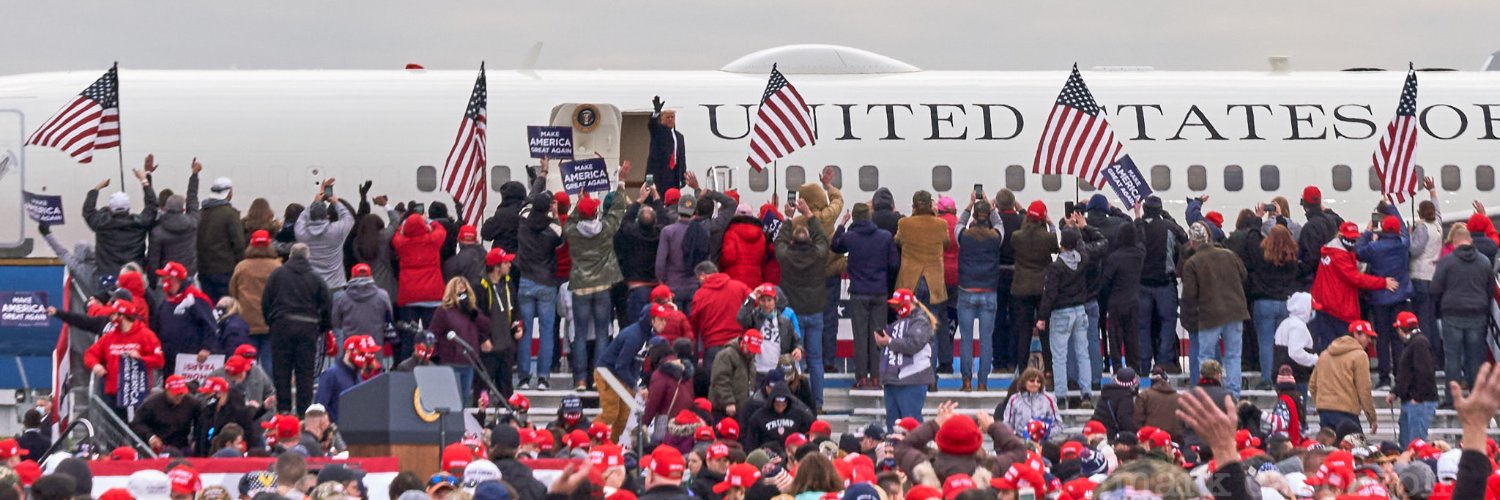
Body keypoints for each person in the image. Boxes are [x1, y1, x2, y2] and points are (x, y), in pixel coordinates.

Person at [566, 165, 629, 391]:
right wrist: (620, 183)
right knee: (603, 333)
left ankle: (580, 380)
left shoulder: (571, 230)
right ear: (595, 213)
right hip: (603, 285)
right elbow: (617, 211)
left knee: (580, 335)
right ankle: (598, 378)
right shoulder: (605, 230)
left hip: (580, 287)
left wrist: (579, 201)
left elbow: (572, 219)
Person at [1037, 216, 1105, 407]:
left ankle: (1061, 396)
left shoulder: (1056, 267)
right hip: (1080, 311)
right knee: (1082, 353)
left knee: (1059, 356)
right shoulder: (1082, 259)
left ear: (1061, 245)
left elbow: (1049, 295)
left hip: (1061, 313)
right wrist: (1077, 228)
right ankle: (1086, 394)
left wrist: (1042, 318)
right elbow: (1082, 247)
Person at [832, 202, 899, 389]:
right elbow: (894, 263)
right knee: (878, 336)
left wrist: (841, 225)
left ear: (854, 217)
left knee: (860, 337)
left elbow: (835, 246)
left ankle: (861, 378)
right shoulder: (885, 237)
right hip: (879, 292)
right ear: (869, 217)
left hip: (859, 292)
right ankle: (877, 378)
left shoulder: (850, 237)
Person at [1179, 221, 1249, 396]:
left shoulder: (1193, 263)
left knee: (1206, 357)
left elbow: (1189, 294)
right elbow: (1244, 275)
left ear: (1192, 241)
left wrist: (1187, 318)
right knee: (1233, 356)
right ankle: (1233, 394)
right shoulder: (1229, 255)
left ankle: (1208, 393)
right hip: (1235, 311)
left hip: (1210, 315)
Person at [262, 243, 332, 415]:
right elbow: (327, 304)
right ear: (308, 257)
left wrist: (271, 322)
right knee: (305, 373)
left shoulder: (277, 275)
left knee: (282, 371)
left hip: (282, 326)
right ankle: (304, 413)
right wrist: (322, 327)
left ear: (290, 256)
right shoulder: (316, 277)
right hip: (308, 328)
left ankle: (283, 411)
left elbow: (266, 301)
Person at [775, 198, 830, 406]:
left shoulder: (786, 256)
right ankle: (817, 403)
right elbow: (823, 239)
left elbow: (779, 241)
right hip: (815, 312)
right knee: (816, 361)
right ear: (809, 240)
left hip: (793, 315)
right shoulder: (818, 254)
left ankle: (796, 402)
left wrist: (788, 219)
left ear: (793, 241)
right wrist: (808, 214)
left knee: (795, 359)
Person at [894, 191, 953, 381]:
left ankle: (910, 373)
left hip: (910, 283)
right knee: (931, 330)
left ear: (914, 206)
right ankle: (931, 377)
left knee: (908, 329)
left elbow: (898, 241)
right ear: (931, 205)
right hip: (933, 283)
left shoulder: (904, 223)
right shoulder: (941, 224)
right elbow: (946, 243)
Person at [1310, 221, 1397, 349]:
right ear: (1340, 235)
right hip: (1338, 307)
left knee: (1328, 345)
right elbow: (1355, 278)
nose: (1351, 241)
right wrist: (1383, 283)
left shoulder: (1331, 251)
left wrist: (1367, 232)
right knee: (1342, 346)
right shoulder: (1340, 256)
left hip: (1325, 304)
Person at [1431, 225, 1497, 394]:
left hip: (1452, 314)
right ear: (1470, 240)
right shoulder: (1484, 261)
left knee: (1452, 358)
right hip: (1477, 315)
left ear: (1454, 242)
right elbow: (1490, 289)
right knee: (1475, 358)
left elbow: (1435, 288)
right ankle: (1476, 395)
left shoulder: (1446, 261)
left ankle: (1452, 398)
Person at [516, 160, 563, 390]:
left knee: (524, 332)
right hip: (546, 283)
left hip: (525, 281)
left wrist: (541, 175)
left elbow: (530, 199)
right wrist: (554, 214)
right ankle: (543, 378)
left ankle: (524, 378)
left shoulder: (524, 219)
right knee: (546, 332)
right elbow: (560, 236)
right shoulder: (553, 229)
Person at [1356, 203, 1412, 389]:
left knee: (1382, 338)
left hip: (1379, 298)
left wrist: (1367, 232)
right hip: (1399, 295)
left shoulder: (1374, 247)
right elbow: (1404, 228)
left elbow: (1358, 251)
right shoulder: (1403, 244)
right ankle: (1399, 374)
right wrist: (1391, 207)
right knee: (1398, 338)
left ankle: (1384, 377)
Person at [82, 298, 165, 418]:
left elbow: (159, 361)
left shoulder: (146, 335)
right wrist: (96, 365)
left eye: (114, 314)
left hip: (138, 393)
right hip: (113, 394)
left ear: (122, 315)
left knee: (137, 429)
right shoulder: (109, 337)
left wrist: (141, 359)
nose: (111, 317)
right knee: (115, 431)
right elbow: (90, 354)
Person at [954, 196, 1002, 391]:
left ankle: (966, 381)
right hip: (989, 291)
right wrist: (992, 207)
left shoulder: (963, 237)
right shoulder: (996, 237)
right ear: (988, 216)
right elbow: (999, 223)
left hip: (966, 290)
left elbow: (959, 223)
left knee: (966, 338)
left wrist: (969, 203)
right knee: (986, 339)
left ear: (974, 215)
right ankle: (983, 383)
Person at [83, 160, 158, 282]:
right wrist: (144, 181)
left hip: (108, 278)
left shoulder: (101, 224)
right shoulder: (139, 224)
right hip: (134, 277)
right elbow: (152, 206)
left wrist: (96, 189)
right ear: (128, 208)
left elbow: (88, 210)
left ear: (111, 209)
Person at [1243, 224, 1298, 387]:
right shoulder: (1292, 258)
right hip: (1284, 302)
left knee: (1265, 343)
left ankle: (1267, 379)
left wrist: (1257, 220)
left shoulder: (1261, 256)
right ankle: (1282, 375)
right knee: (1281, 343)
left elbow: (1251, 241)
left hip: (1264, 302)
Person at [1135, 196, 1186, 374]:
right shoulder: (1169, 227)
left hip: (1141, 284)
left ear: (1144, 209)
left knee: (1142, 325)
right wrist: (1168, 217)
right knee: (1168, 322)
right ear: (1160, 210)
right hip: (1165, 283)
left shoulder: (1137, 227)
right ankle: (1163, 362)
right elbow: (1184, 237)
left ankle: (1144, 363)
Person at [392, 209, 448, 362]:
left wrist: (404, 225)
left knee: (408, 337)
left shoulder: (401, 243)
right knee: (433, 335)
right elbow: (441, 229)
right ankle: (436, 365)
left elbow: (397, 233)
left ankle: (406, 368)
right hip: (432, 294)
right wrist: (429, 222)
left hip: (409, 295)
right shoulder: (433, 240)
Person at [1010, 200, 1058, 376]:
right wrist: (1051, 224)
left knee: (1023, 333)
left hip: (1021, 288)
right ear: (1044, 217)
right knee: (1045, 332)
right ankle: (1049, 371)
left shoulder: (1017, 237)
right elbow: (1055, 247)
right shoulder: (1048, 238)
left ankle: (1022, 370)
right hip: (1042, 289)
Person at [595, 298, 651, 442]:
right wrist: (636, 386)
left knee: (624, 417)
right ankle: (589, 440)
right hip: (607, 372)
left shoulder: (648, 335)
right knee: (611, 414)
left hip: (622, 374)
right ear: (652, 320)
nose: (665, 323)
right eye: (661, 320)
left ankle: (611, 446)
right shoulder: (634, 336)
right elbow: (621, 365)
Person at [879, 289, 936, 429]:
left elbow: (913, 344)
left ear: (908, 303)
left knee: (911, 426)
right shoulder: (898, 322)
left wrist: (889, 342)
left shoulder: (921, 321)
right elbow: (890, 348)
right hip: (893, 380)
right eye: (894, 306)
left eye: (898, 305)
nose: (896, 309)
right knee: (893, 426)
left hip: (913, 379)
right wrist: (881, 343)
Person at [1309, 320, 1379, 434]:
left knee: (1330, 450)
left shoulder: (1325, 354)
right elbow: (1364, 390)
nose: (1369, 340)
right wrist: (1372, 418)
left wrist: (1321, 403)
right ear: (1357, 334)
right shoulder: (1360, 356)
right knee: (1358, 448)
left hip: (1325, 413)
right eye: (1368, 336)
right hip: (1347, 413)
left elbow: (1312, 385)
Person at [430, 277, 492, 404]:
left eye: (465, 293)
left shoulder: (472, 311)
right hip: (449, 362)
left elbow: (486, 326)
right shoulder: (443, 311)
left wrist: (472, 311)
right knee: (450, 401)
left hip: (468, 362)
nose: (462, 297)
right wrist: (436, 357)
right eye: (459, 294)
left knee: (463, 400)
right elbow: (433, 334)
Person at [1099, 213, 1144, 372]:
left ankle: (1118, 369)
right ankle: (1135, 370)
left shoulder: (1114, 257)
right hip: (1133, 300)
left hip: (1116, 302)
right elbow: (1141, 238)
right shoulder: (1139, 254)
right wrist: (1137, 218)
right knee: (1132, 339)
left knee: (1115, 339)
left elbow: (1105, 282)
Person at [229, 230, 281, 370]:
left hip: (247, 321)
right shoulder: (276, 266)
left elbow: (233, 291)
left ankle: (249, 391)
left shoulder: (242, 266)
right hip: (270, 321)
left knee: (247, 364)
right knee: (269, 364)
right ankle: (269, 391)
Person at [153, 261, 216, 376]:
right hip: (169, 359)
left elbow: (210, 325)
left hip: (190, 360)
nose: (162, 281)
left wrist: (206, 348)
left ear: (174, 279)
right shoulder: (166, 302)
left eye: (165, 277)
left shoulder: (195, 299)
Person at [294, 179, 355, 292]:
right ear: (327, 216)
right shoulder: (336, 231)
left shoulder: (302, 234)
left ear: (310, 216)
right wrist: (335, 201)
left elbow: (301, 219)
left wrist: (314, 202)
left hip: (312, 285)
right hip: (336, 285)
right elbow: (348, 217)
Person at [474, 249, 519, 397]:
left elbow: (515, 308)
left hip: (506, 348)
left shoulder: (508, 284)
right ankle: (478, 420)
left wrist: (518, 326)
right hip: (488, 351)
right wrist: (483, 338)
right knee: (482, 394)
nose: (510, 265)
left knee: (507, 396)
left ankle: (507, 420)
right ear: (496, 267)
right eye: (506, 262)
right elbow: (474, 317)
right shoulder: (479, 287)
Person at [1388, 311, 1438, 446]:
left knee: (1414, 446)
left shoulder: (1419, 343)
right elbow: (1406, 374)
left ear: (1401, 328)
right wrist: (1395, 391)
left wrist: (1418, 398)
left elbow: (1425, 372)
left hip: (1418, 403)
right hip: (1411, 401)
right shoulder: (1414, 343)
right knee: (1406, 444)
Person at [736, 284, 800, 382]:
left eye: (769, 300)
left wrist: (798, 349)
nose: (766, 304)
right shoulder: (754, 318)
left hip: (778, 372)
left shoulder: (785, 322)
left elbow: (796, 342)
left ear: (775, 301)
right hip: (757, 371)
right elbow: (741, 317)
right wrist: (752, 296)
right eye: (763, 300)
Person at [146, 164, 201, 280]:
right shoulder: (193, 223)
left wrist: (153, 282)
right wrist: (194, 175)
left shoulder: (157, 231)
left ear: (165, 209)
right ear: (183, 209)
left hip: (167, 278)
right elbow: (192, 200)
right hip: (188, 275)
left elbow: (153, 261)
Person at [198, 173, 246, 301]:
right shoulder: (230, 214)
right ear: (229, 193)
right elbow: (239, 243)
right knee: (226, 307)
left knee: (209, 306)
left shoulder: (200, 213)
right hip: (225, 270)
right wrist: (240, 265)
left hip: (203, 269)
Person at [314, 335, 379, 424]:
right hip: (336, 431)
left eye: (365, 354)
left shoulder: (358, 375)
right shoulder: (331, 375)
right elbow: (319, 408)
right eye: (361, 353)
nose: (364, 358)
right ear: (349, 351)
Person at [131, 374, 203, 453]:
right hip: (158, 447)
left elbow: (200, 423)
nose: (179, 397)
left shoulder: (192, 403)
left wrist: (196, 440)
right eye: (176, 394)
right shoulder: (151, 403)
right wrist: (150, 436)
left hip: (182, 446)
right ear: (167, 391)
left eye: (181, 393)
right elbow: (137, 423)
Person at [1296, 186, 1344, 288]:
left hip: (1318, 281)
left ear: (1304, 204)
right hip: (1333, 277)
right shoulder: (1332, 220)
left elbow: (1311, 259)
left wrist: (1296, 271)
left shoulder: (1309, 227)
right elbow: (1342, 222)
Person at [195, 376, 257, 456]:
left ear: (219, 393)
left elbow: (251, 439)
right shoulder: (206, 412)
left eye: (208, 394)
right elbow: (199, 439)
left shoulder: (240, 413)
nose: (205, 397)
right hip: (206, 458)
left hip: (232, 459)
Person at [332, 263, 394, 341]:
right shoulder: (383, 296)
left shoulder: (341, 298)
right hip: (375, 345)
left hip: (351, 346)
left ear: (351, 277)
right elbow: (389, 318)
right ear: (371, 277)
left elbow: (336, 323)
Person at [709, 328, 759, 419]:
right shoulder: (726, 355)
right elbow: (720, 380)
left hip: (741, 411)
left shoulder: (749, 359)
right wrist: (728, 402)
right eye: (750, 349)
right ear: (743, 343)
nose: (752, 352)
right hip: (724, 410)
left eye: (754, 350)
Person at [1273, 292, 1317, 390]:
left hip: (1281, 374)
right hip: (1297, 376)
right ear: (1304, 308)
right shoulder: (1298, 327)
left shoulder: (1285, 323)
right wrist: (1314, 359)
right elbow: (1295, 352)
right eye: (1312, 308)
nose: (1312, 312)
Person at [997, 368, 1057, 434]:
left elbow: (1058, 425)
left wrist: (1043, 433)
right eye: (1032, 381)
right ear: (1024, 382)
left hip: (1043, 441)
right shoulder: (1014, 399)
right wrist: (1018, 434)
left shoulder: (1049, 399)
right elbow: (1007, 423)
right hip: (1019, 441)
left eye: (1038, 381)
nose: (1035, 384)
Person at [1134, 366, 1182, 440]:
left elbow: (1137, 420)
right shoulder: (1180, 398)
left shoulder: (1144, 396)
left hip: (1151, 438)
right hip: (1175, 439)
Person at [480, 181, 528, 254]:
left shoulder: (502, 214)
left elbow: (486, 233)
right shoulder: (526, 212)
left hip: (503, 258)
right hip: (523, 257)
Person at [1091, 368, 1140, 438]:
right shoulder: (1125, 397)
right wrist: (1138, 431)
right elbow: (1124, 420)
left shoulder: (1107, 392)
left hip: (1096, 429)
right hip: (1108, 434)